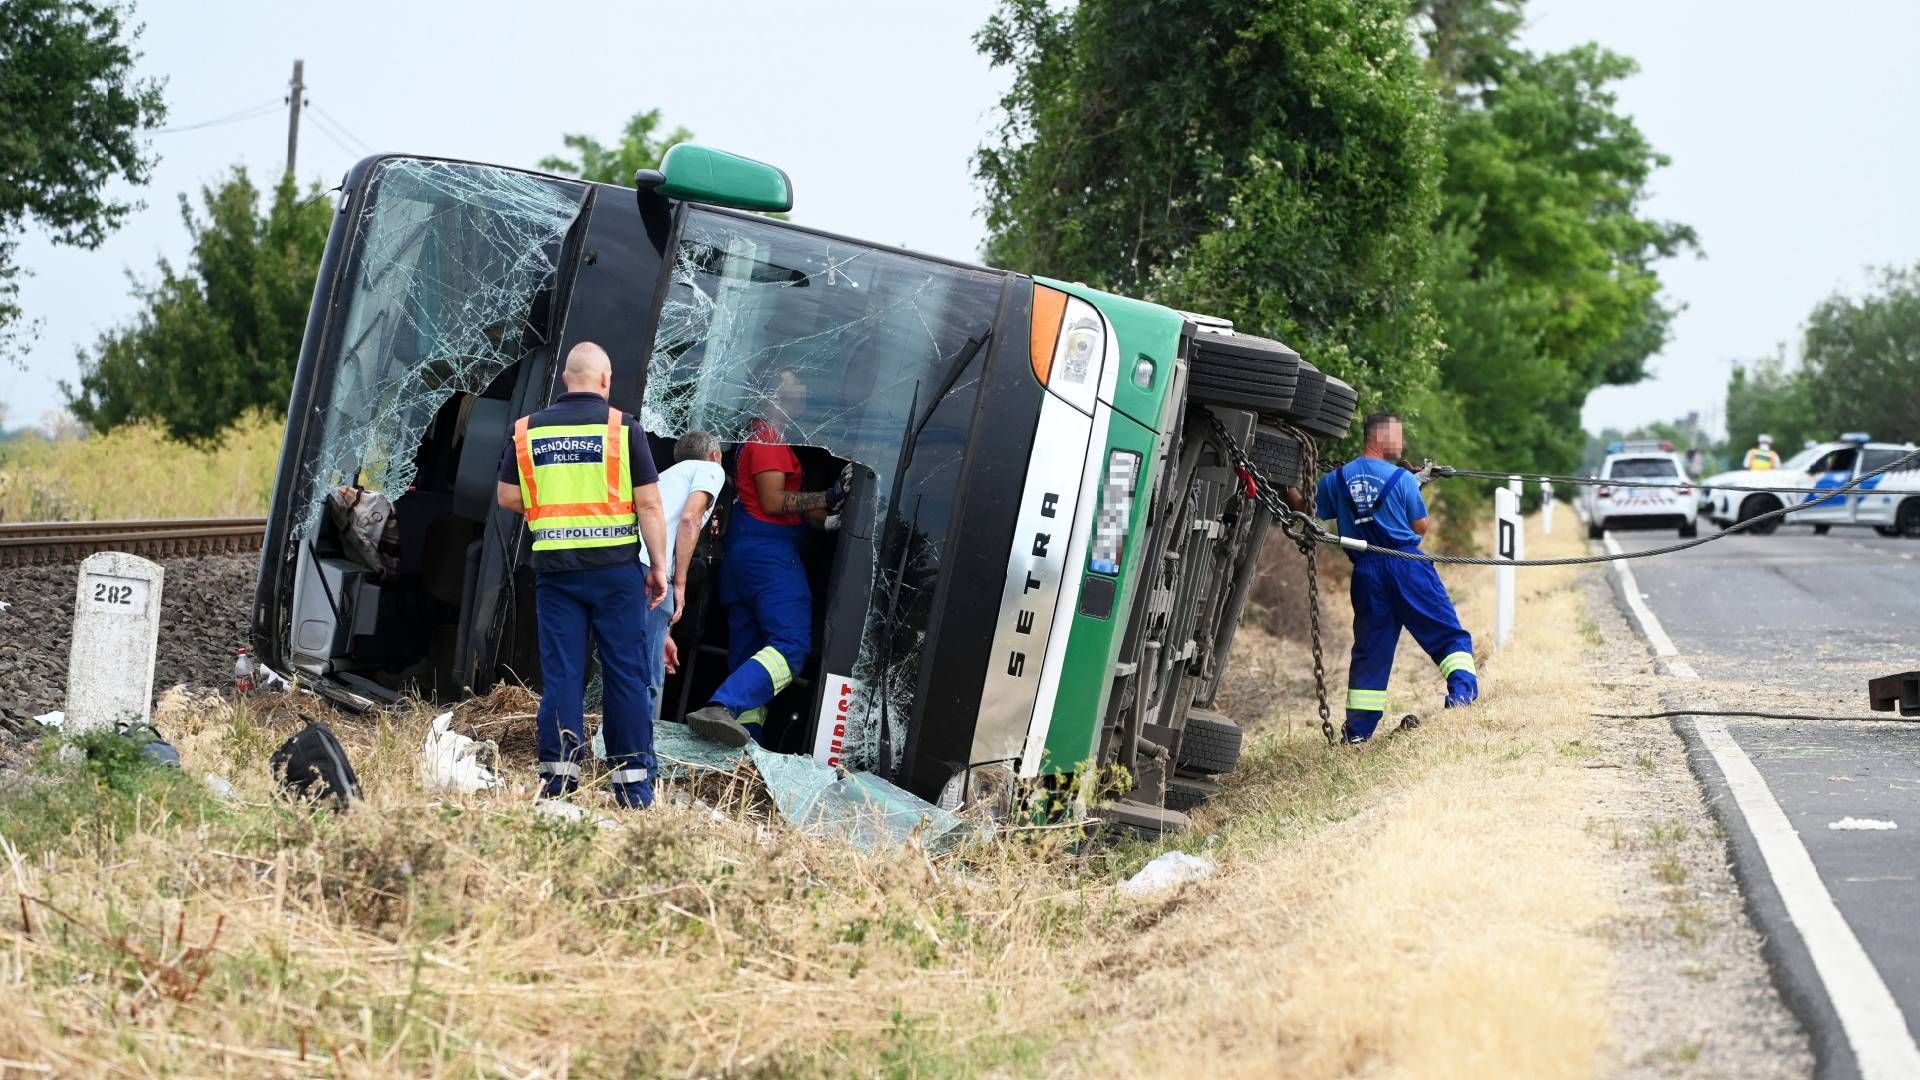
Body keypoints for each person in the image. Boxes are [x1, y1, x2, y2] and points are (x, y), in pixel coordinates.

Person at [496, 341, 669, 807]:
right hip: (615, 573)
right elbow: (650, 503)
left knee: (563, 675)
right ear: (605, 381)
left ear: (565, 380)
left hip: (556, 572)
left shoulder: (527, 430)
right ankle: (633, 785)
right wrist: (659, 568)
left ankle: (558, 780)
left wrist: (555, 494)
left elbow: (508, 497)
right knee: (626, 675)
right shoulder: (622, 429)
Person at [684, 368, 847, 748]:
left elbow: (796, 509)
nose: (805, 389)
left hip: (744, 559)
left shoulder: (756, 441)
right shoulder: (768, 442)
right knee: (791, 647)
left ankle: (742, 744)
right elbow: (776, 503)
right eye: (796, 382)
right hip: (768, 558)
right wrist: (831, 495)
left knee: (749, 656)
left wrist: (831, 518)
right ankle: (722, 707)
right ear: (774, 393)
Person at [1309, 412, 1477, 744]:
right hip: (1405, 564)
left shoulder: (1336, 479)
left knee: (1371, 650)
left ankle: (1357, 734)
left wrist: (1287, 481)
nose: (1401, 443)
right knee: (1445, 634)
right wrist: (1413, 485)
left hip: (1367, 572)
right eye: (1397, 436)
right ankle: (1461, 696)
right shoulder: (1400, 479)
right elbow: (1420, 526)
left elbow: (1308, 506)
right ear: (1379, 437)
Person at [591, 430, 726, 762]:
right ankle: (635, 762)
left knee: (622, 666)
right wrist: (678, 584)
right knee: (645, 678)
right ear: (715, 455)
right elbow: (690, 518)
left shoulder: (666, 477)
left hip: (620, 569)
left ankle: (609, 752)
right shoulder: (710, 470)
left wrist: (663, 629)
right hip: (647, 573)